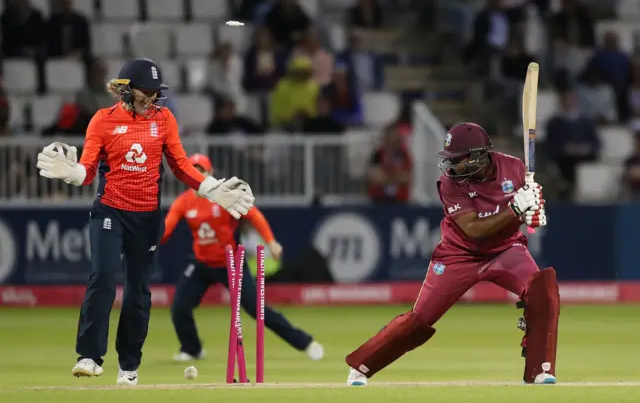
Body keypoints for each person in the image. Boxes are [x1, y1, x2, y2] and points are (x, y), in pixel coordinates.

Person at [35, 57, 255, 386]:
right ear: (125, 90)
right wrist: (71, 172)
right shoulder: (102, 120)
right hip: (110, 212)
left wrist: (212, 190)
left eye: (155, 92)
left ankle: (128, 366)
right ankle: (90, 356)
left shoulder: (164, 119)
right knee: (104, 277)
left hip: (147, 217)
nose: (151, 99)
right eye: (145, 92)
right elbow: (87, 171)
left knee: (137, 291)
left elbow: (181, 166)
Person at [344, 123, 558, 386]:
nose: (453, 167)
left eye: (459, 160)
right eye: (451, 160)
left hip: (505, 249)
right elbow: (473, 230)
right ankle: (362, 367)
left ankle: (540, 369)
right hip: (459, 254)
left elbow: (528, 211)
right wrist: (515, 209)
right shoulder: (449, 184)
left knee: (541, 289)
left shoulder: (514, 168)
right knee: (419, 320)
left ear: (481, 155)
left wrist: (533, 213)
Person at [162, 154, 324, 362]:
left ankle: (306, 342)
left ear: (210, 174)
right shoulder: (183, 202)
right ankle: (192, 349)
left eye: (200, 171)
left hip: (231, 263)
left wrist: (271, 242)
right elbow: (166, 231)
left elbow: (254, 215)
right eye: (192, 172)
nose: (196, 176)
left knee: (257, 310)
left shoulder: (225, 195)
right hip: (201, 263)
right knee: (179, 308)